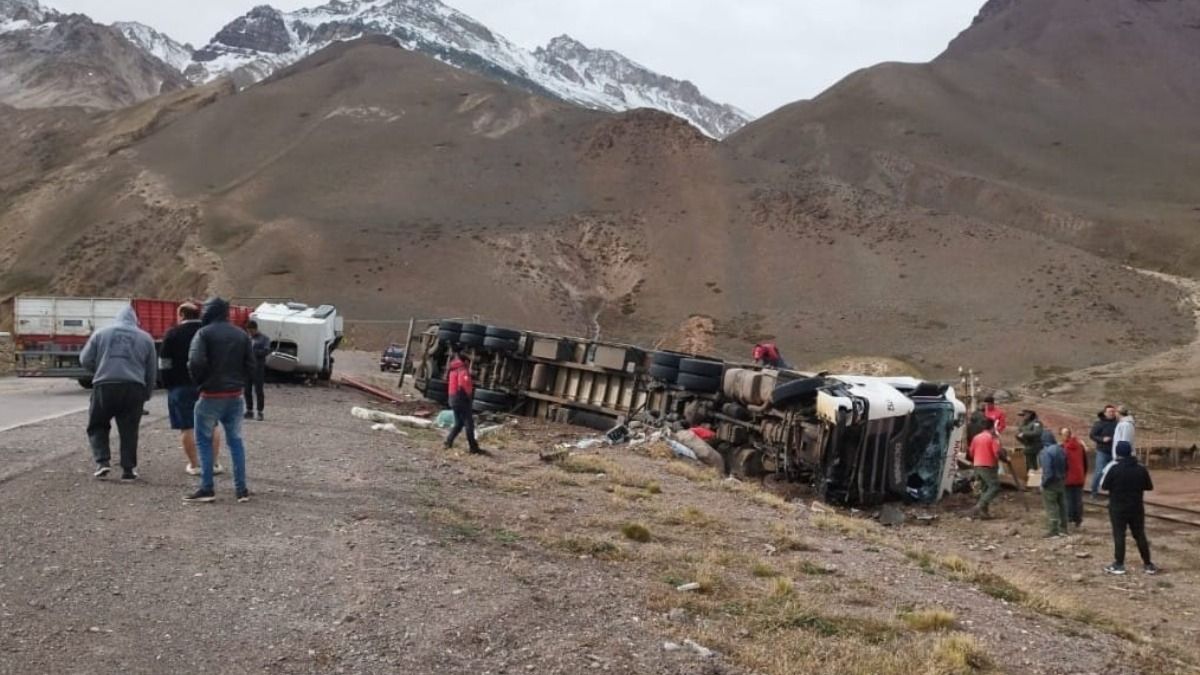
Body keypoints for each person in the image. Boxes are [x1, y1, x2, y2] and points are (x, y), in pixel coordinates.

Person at [183, 297, 255, 503]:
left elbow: (195, 361)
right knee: (236, 442)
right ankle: (241, 490)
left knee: (204, 442)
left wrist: (201, 383)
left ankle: (207, 488)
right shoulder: (241, 334)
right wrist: (240, 383)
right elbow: (251, 365)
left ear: (209, 311)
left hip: (210, 396)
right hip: (235, 396)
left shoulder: (203, 333)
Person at [79, 306, 157, 480]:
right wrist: (147, 393)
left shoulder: (100, 334)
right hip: (134, 387)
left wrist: (98, 369)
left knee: (98, 424)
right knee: (129, 429)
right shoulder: (146, 338)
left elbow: (84, 359)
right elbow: (151, 369)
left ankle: (102, 462)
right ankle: (128, 469)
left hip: (105, 385)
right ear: (135, 320)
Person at [160, 303, 225, 476]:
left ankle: (195, 465)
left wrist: (168, 384)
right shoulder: (209, 333)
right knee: (212, 425)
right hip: (208, 386)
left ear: (181, 314)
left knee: (187, 426)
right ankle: (213, 463)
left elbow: (164, 363)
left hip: (180, 385)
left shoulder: (172, 334)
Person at [1100, 441, 1157, 575]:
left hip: (1118, 507)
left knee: (1119, 535)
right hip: (1136, 507)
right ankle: (1148, 564)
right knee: (1140, 535)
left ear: (1118, 454)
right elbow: (1149, 486)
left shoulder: (1114, 469)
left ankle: (1119, 564)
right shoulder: (1141, 469)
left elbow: (1104, 486)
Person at [443, 351, 483, 454]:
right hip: (461, 399)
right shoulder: (462, 370)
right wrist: (468, 397)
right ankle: (473, 447)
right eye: (468, 363)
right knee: (469, 424)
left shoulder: (453, 370)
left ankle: (448, 442)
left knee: (459, 423)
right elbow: (463, 385)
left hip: (452, 398)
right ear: (465, 362)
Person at [967, 418, 1002, 519]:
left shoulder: (976, 437)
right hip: (988, 465)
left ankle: (984, 513)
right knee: (994, 487)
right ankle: (979, 506)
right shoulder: (992, 438)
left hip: (977, 465)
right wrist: (1005, 458)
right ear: (992, 427)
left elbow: (971, 452)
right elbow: (997, 453)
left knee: (985, 488)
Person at [1038, 430, 1068, 538]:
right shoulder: (1061, 449)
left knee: (1051, 506)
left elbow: (1048, 471)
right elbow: (1067, 466)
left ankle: (1053, 529)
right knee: (1062, 505)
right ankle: (1063, 528)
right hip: (1061, 481)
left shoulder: (1045, 452)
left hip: (1051, 483)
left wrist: (1043, 483)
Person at [1089, 405, 1118, 499]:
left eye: (1113, 411)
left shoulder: (1117, 424)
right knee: (1099, 471)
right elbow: (1092, 435)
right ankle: (1094, 492)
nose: (1111, 413)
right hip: (1102, 451)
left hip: (1114, 452)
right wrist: (1102, 439)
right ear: (1105, 413)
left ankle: (1112, 493)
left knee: (1113, 473)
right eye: (1110, 411)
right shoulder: (1099, 423)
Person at [243, 320, 270, 421]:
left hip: (258, 368)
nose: (250, 333)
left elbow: (266, 351)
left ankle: (260, 411)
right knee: (247, 390)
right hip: (247, 369)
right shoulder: (247, 338)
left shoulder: (264, 338)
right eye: (248, 331)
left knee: (259, 390)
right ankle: (249, 410)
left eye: (251, 331)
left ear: (255, 329)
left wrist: (253, 352)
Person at [1061, 427, 1087, 528]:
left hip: (1067, 477)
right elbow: (1085, 462)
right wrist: (1083, 474)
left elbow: (1063, 464)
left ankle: (1070, 518)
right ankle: (1078, 519)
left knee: (1068, 499)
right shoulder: (1080, 446)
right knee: (1078, 499)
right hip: (1079, 476)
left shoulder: (1063, 448)